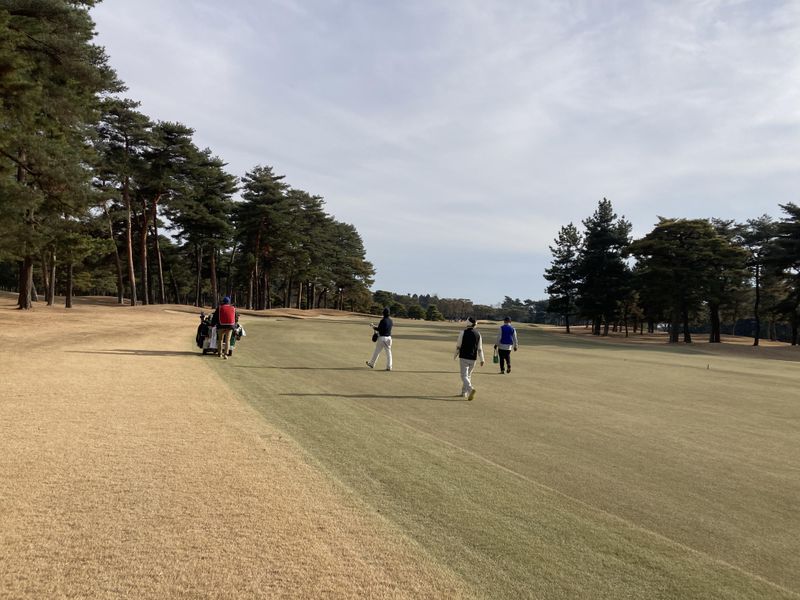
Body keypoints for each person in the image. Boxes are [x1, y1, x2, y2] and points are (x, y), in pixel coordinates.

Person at [455, 317, 484, 400]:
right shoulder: (478, 334)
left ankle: (470, 389)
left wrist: (455, 354)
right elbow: (480, 348)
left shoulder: (463, 333)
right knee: (468, 375)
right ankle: (464, 393)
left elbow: (458, 346)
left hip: (464, 357)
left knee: (463, 376)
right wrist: (482, 359)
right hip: (473, 358)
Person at [211, 296, 238, 360]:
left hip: (221, 326)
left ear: (223, 302)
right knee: (227, 341)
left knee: (220, 339)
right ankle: (225, 355)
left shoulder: (219, 308)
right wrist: (234, 325)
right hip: (230, 326)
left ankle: (219, 353)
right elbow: (236, 318)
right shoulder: (233, 308)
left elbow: (215, 317)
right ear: (229, 302)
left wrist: (212, 324)